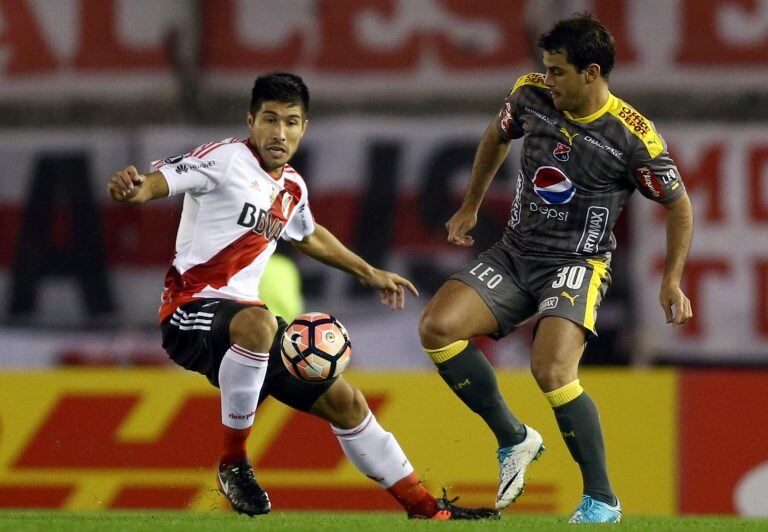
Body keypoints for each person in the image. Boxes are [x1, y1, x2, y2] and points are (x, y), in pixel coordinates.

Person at [107, 73, 498, 521]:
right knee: (260, 323)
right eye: (269, 120)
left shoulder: (291, 186)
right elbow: (158, 182)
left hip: (245, 327)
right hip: (188, 311)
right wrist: (134, 190)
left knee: (347, 402)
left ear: (303, 128)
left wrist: (369, 272)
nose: (279, 132)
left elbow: (309, 235)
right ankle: (233, 462)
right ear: (250, 121)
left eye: (291, 122)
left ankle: (429, 511)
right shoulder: (224, 158)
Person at [418, 13, 693, 524]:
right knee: (437, 327)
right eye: (545, 69)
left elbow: (679, 206)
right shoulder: (530, 95)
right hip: (516, 252)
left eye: (558, 71)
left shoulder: (634, 138)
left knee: (551, 369)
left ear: (592, 73)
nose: (548, 80)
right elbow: (496, 137)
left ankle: (601, 500)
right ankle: (514, 438)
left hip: (576, 264)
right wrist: (471, 205)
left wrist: (671, 279)